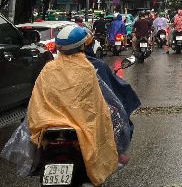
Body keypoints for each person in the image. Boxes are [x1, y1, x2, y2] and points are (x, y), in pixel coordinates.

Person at [27, 25, 119, 186]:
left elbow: (38, 100)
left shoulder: (49, 68)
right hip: (79, 128)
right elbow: (94, 103)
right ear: (82, 46)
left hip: (48, 126)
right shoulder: (86, 68)